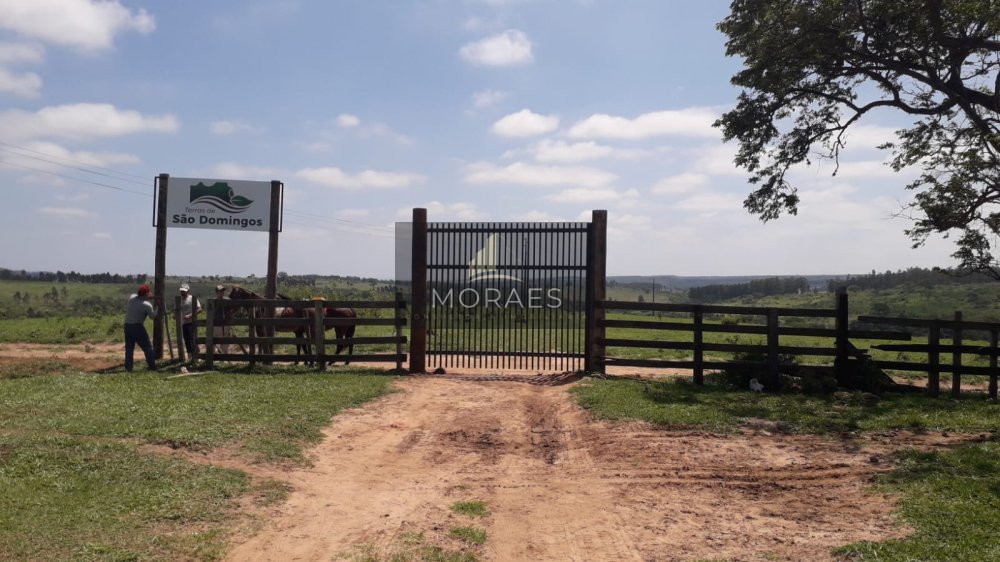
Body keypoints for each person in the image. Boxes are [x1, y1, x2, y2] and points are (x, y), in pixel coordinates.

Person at [124, 284, 157, 372]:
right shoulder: (147, 305)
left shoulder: (132, 299)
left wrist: (147, 297)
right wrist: (157, 308)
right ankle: (152, 366)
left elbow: (136, 296)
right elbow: (152, 316)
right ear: (146, 294)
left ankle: (128, 368)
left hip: (127, 326)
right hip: (137, 327)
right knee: (147, 348)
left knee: (129, 348)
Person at [179, 283, 202, 356]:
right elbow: (177, 310)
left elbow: (199, 309)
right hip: (183, 323)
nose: (182, 292)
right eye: (181, 291)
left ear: (188, 291)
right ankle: (190, 355)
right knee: (186, 340)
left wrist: (190, 316)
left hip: (191, 322)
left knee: (193, 339)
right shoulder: (179, 300)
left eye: (184, 291)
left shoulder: (192, 298)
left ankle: (196, 355)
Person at [211, 284, 232, 354]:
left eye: (222, 291)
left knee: (225, 340)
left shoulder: (228, 300)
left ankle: (224, 356)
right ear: (216, 292)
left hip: (225, 324)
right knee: (213, 340)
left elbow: (232, 310)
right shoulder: (212, 301)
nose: (222, 293)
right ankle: (213, 357)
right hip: (215, 324)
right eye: (220, 291)